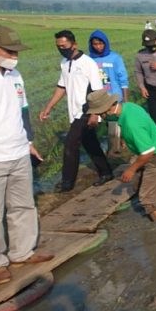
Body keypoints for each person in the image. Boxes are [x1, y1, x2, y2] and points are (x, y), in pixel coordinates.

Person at [0, 26, 54, 285]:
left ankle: (21, 252)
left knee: (23, 205)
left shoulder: (15, 75)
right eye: (9, 51)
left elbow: (23, 110)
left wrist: (28, 141)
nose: (14, 56)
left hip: (18, 150)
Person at [39, 30, 113, 192]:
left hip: (86, 111)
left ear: (74, 45)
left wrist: (95, 114)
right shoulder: (64, 63)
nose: (62, 49)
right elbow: (62, 87)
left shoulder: (88, 64)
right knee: (90, 143)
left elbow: (97, 91)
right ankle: (106, 172)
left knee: (70, 145)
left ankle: (67, 183)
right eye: (59, 47)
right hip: (74, 112)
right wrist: (49, 107)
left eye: (64, 46)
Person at [86, 90, 156, 222]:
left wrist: (131, 169)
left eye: (99, 114)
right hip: (151, 150)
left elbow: (148, 152)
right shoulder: (128, 107)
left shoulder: (131, 125)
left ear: (107, 110)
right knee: (137, 184)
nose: (98, 116)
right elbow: (115, 123)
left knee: (149, 200)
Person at [88, 30, 129, 154]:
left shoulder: (115, 58)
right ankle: (115, 145)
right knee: (104, 125)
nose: (98, 47)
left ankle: (115, 150)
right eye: (95, 44)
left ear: (106, 43)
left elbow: (123, 78)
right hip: (99, 98)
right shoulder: (89, 60)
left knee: (114, 123)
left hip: (114, 96)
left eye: (101, 44)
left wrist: (126, 99)